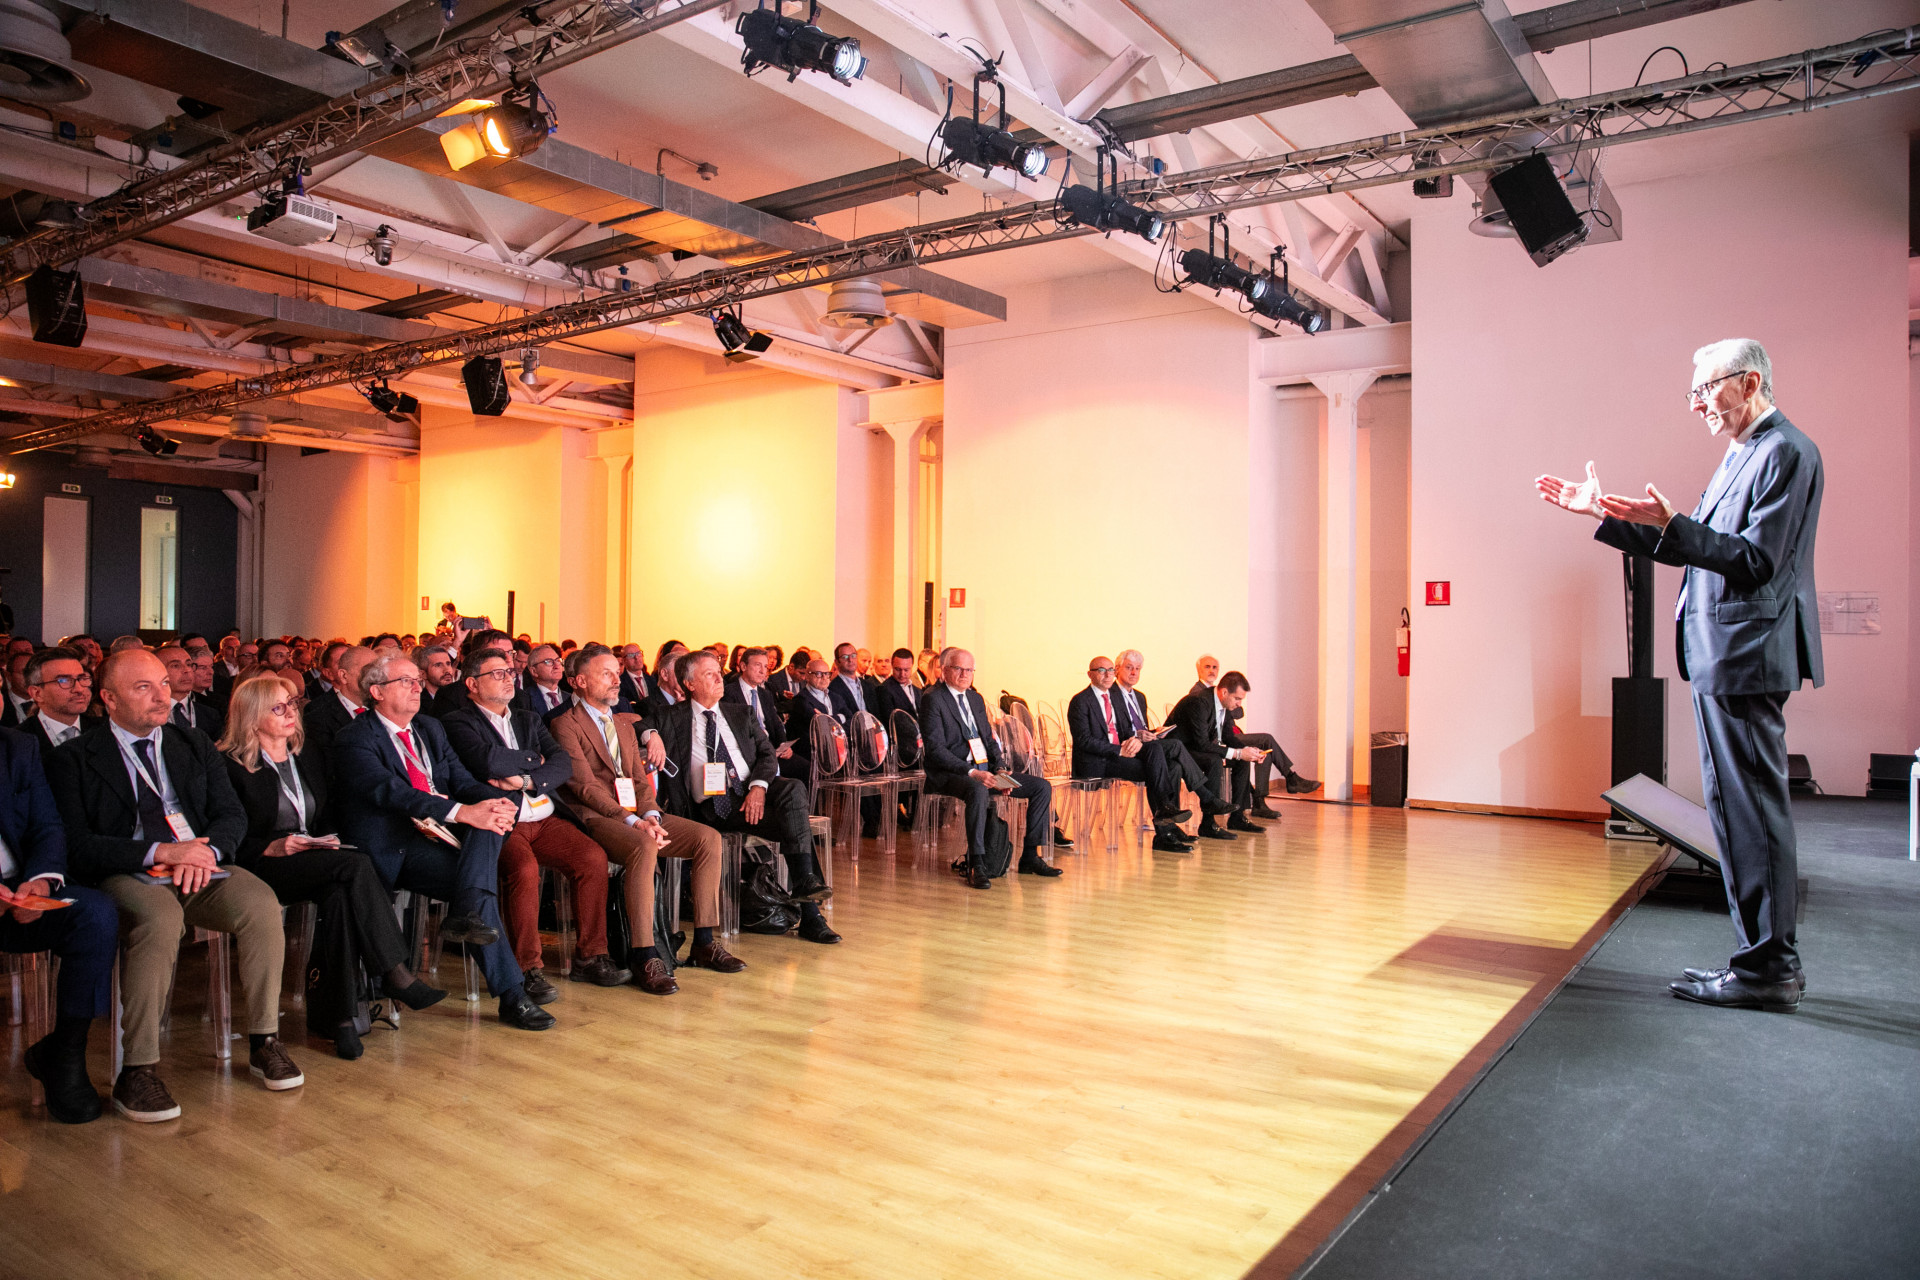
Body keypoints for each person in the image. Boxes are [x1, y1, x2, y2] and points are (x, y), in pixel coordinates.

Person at [1536, 337, 1821, 1012]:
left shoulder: (1784, 451)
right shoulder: (1743, 453)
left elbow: (1754, 561)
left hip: (1746, 656)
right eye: (1692, 392)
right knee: (1734, 813)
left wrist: (1676, 524)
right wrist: (1608, 515)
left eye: (1705, 389)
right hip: (1725, 656)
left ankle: (1769, 969)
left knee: (1753, 814)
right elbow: (1702, 548)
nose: (1696, 404)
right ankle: (1760, 961)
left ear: (1749, 383)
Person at [45, 650, 303, 1123]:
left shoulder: (193, 742)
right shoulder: (75, 757)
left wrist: (208, 852)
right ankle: (138, 1070)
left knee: (261, 903)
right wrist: (161, 852)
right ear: (109, 699)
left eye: (164, 683)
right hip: (127, 871)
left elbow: (231, 814)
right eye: (144, 687)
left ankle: (265, 1039)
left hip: (199, 866)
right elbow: (78, 845)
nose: (162, 695)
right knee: (161, 918)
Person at [219, 675, 446, 1059]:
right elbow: (226, 833)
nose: (291, 713)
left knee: (340, 896)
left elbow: (325, 813)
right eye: (279, 707)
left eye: (293, 704)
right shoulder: (231, 766)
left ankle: (339, 1019)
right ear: (252, 716)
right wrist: (271, 846)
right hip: (261, 863)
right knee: (356, 867)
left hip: (315, 857)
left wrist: (329, 837)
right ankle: (395, 972)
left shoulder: (305, 754)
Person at [330, 654, 552, 1030]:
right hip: (396, 844)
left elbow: (461, 780)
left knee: (489, 823)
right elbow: (393, 792)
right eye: (406, 681)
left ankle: (468, 910)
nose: (417, 687)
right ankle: (513, 995)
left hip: (438, 834)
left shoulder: (429, 728)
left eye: (418, 680)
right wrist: (463, 811)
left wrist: (494, 802)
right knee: (478, 889)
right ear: (377, 692)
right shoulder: (355, 737)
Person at [442, 648, 631, 1002]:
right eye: (497, 674)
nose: (508, 678)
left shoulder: (527, 718)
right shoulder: (457, 721)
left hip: (544, 815)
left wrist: (526, 780)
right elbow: (487, 760)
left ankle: (590, 956)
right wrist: (534, 760)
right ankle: (526, 969)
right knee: (524, 871)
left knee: (592, 857)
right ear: (472, 684)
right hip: (502, 821)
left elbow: (562, 764)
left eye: (509, 672)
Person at [549, 649, 740, 994]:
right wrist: (634, 822)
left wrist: (650, 814)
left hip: (638, 814)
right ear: (580, 682)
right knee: (644, 845)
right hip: (597, 817)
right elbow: (585, 788)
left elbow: (639, 781)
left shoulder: (623, 723)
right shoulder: (565, 725)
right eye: (606, 674)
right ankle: (644, 953)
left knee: (707, 838)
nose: (616, 679)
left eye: (616, 672)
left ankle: (703, 941)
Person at [658, 651, 839, 945]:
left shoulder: (739, 712)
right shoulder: (672, 717)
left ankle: (807, 893)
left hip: (752, 791)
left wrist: (758, 787)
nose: (719, 678)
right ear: (690, 684)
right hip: (717, 805)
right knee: (796, 824)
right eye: (709, 674)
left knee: (793, 787)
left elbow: (767, 754)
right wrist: (650, 736)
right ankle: (810, 913)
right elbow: (633, 725)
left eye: (718, 672)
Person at [0, 724, 120, 1124]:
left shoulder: (18, 747)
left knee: (95, 914)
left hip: (19, 890)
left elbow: (47, 826)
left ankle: (65, 1052)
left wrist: (40, 881)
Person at [919, 647, 1063, 890]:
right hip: (952, 773)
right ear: (944, 670)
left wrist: (1001, 768)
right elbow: (935, 750)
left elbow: (989, 739)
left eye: (969, 670)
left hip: (985, 771)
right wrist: (972, 772)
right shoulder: (933, 698)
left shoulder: (975, 699)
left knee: (1041, 787)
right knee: (977, 789)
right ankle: (977, 863)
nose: (965, 674)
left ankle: (1030, 855)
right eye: (958, 668)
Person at [1069, 657, 1222, 853]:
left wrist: (1137, 736)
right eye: (1101, 670)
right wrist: (1119, 750)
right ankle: (1169, 819)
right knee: (1160, 762)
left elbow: (1124, 729)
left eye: (1110, 670)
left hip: (1119, 756)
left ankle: (1166, 827)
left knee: (1170, 764)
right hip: (1098, 761)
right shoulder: (1081, 701)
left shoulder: (1114, 698)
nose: (1107, 675)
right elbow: (1084, 741)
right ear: (1090, 674)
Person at [1190, 655, 1314, 807]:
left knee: (1262, 749)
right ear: (1198, 669)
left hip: (1230, 735)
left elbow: (1239, 713)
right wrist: (1229, 709)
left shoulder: (1223, 692)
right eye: (1207, 667)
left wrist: (1231, 707)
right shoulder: (1198, 693)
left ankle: (1260, 798)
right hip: (1216, 740)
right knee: (1265, 740)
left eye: (1214, 667)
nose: (1211, 671)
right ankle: (1283, 783)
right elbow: (1219, 721)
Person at [1164, 673, 1268, 839]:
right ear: (1224, 692)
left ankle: (1237, 817)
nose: (1239, 704)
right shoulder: (1199, 702)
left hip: (1196, 748)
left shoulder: (1224, 704)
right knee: (1214, 761)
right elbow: (1202, 743)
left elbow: (1228, 737)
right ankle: (1208, 824)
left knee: (1242, 761)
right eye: (1237, 698)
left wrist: (1248, 751)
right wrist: (1238, 753)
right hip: (1179, 749)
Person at [827, 644, 883, 838]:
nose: (850, 660)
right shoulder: (833, 688)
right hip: (850, 742)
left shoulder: (867, 686)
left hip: (873, 739)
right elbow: (840, 719)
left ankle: (880, 817)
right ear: (837, 662)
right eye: (845, 657)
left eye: (853, 655)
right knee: (862, 769)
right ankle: (871, 819)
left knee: (881, 767)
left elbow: (876, 714)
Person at [304, 644, 376, 765]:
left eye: (377, 670)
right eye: (367, 670)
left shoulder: (381, 707)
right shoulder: (318, 717)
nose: (375, 677)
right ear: (343, 675)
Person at [874, 648, 921, 831]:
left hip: (919, 743)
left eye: (906, 670)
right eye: (898, 669)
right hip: (901, 745)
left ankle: (923, 813)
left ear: (912, 667)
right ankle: (915, 815)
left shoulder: (918, 691)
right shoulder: (885, 690)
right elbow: (892, 721)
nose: (902, 674)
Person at [21, 647, 98, 752]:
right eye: (64, 680)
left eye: (82, 678)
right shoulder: (17, 742)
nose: (79, 689)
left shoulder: (105, 731)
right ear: (37, 693)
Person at [724, 647, 791, 760]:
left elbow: (776, 724)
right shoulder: (729, 693)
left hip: (771, 748)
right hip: (748, 752)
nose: (763, 671)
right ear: (743, 666)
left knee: (805, 767)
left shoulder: (765, 694)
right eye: (758, 665)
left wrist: (784, 745)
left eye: (765, 666)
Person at [158, 644, 223, 742]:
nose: (187, 670)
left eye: (189, 664)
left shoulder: (210, 714)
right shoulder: (147, 715)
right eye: (176, 666)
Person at [514, 643, 568, 719]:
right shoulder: (524, 701)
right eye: (548, 662)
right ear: (534, 671)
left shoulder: (571, 699)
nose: (556, 666)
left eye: (558, 660)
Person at [643, 641, 687, 720]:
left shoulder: (692, 702)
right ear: (665, 675)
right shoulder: (646, 706)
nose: (687, 677)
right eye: (681, 671)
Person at [614, 644, 651, 712]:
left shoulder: (652, 680)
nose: (636, 657)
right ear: (624, 661)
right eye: (631, 655)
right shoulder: (619, 683)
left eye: (638, 653)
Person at [2, 648, 34, 727]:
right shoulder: (2, 703)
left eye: (34, 672)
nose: (30, 677)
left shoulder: (51, 703)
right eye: (24, 672)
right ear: (8, 676)